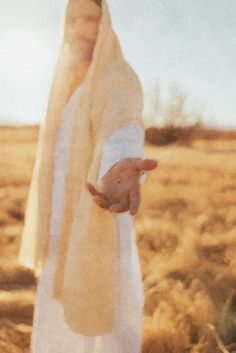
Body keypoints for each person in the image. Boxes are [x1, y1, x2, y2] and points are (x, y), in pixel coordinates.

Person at [18, 1, 158, 352]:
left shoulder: (117, 76)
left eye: (90, 19)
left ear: (105, 23)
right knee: (57, 312)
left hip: (99, 214)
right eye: (73, 19)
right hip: (57, 219)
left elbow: (123, 125)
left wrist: (121, 168)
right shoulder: (64, 83)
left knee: (106, 315)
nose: (80, 27)